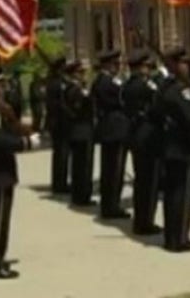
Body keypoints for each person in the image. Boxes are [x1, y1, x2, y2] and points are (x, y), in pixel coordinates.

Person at [0, 68, 40, 279]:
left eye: (3, 84)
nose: (3, 88)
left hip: (0, 169)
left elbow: (7, 131)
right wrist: (25, 143)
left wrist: (21, 129)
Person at [153, 48, 190, 252]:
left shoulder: (165, 87)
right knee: (181, 195)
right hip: (180, 146)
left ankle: (173, 236)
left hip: (170, 145)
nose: (188, 67)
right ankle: (179, 238)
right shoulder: (178, 90)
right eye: (184, 63)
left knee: (173, 194)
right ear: (177, 65)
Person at [122, 50, 163, 235]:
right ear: (140, 68)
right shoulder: (142, 86)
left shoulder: (129, 85)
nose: (149, 69)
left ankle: (143, 219)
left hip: (137, 135)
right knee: (148, 182)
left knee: (143, 182)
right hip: (146, 136)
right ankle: (145, 222)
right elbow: (158, 101)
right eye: (147, 66)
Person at [91, 50, 130, 219]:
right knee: (114, 170)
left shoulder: (103, 81)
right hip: (114, 129)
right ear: (108, 65)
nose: (118, 67)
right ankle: (111, 206)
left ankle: (110, 204)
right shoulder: (106, 82)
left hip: (111, 129)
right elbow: (122, 100)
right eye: (115, 64)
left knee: (111, 170)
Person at [64, 60, 94, 207]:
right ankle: (81, 195)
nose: (84, 75)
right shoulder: (75, 90)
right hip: (81, 130)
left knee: (81, 165)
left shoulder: (76, 88)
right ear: (74, 74)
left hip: (80, 130)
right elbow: (77, 110)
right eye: (81, 73)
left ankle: (80, 194)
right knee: (82, 166)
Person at [45, 57, 70, 194]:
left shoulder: (53, 82)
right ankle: (60, 184)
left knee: (60, 154)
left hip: (57, 122)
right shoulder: (57, 84)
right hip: (59, 122)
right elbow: (60, 104)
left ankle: (59, 182)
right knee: (62, 154)